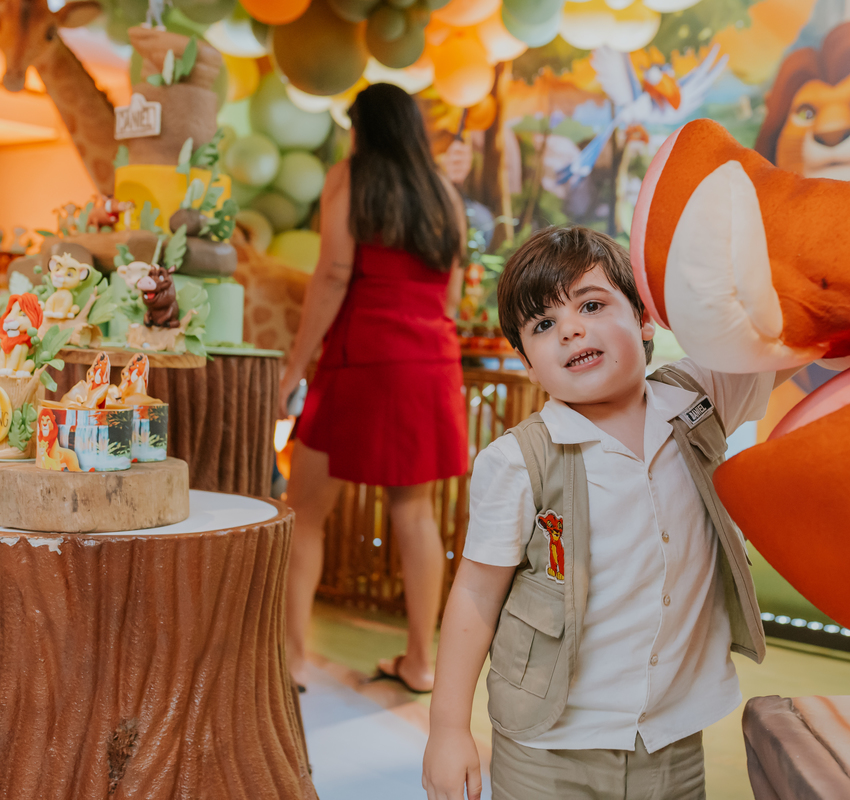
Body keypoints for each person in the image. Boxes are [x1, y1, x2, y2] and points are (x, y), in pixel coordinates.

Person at [422, 226, 797, 800]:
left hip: (672, 739)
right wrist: (447, 729)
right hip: (549, 746)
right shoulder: (517, 461)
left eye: (591, 305)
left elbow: (797, 336)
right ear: (528, 364)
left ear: (645, 321)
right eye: (543, 325)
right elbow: (475, 594)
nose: (571, 329)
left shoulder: (697, 401)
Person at [279, 83, 468, 694]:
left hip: (362, 356)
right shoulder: (443, 191)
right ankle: (420, 661)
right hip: (429, 361)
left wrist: (294, 368)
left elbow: (333, 273)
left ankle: (291, 660)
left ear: (362, 128)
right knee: (413, 512)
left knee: (305, 513)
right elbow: (454, 292)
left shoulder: (351, 176)